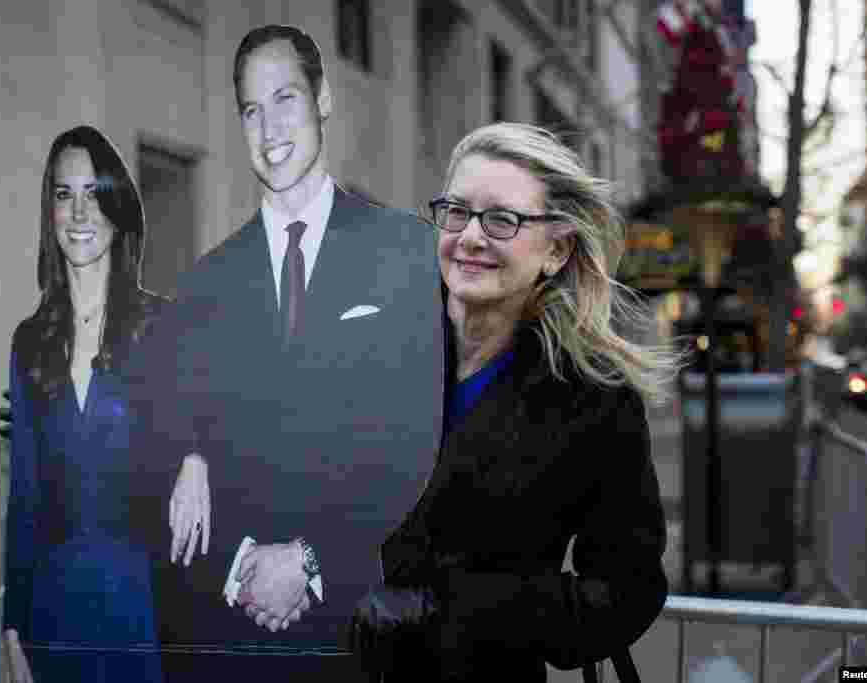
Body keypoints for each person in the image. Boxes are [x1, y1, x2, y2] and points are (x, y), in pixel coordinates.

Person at [138, 23, 442, 680]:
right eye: (251, 108)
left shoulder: (406, 253)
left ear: (323, 99)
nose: (268, 126)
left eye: (285, 99)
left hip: (364, 637)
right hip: (236, 637)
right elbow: (161, 447)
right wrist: (239, 554)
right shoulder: (205, 285)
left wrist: (310, 560)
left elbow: (419, 439)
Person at [349, 122, 683, 681]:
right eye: (456, 212)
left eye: (501, 219)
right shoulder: (364, 343)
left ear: (555, 250)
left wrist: (459, 613)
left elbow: (629, 589)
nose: (471, 237)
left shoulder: (593, 401)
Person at [2, 125, 171, 682]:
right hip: (53, 617)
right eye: (63, 194)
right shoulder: (29, 342)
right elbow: (23, 497)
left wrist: (195, 459)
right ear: (49, 212)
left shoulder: (162, 328)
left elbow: (213, 428)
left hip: (143, 612)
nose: (78, 212)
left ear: (116, 207)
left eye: (93, 193)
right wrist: (12, 630)